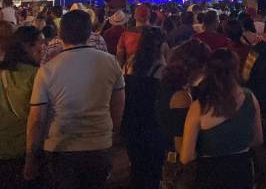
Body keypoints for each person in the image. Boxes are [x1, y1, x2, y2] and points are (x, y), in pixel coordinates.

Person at [24, 10, 125, 188]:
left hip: (60, 145)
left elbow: (36, 118)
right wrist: (113, 133)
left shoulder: (47, 70)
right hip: (99, 144)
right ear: (90, 32)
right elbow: (118, 104)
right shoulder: (110, 62)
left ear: (61, 34)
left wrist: (31, 156)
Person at [180, 49, 262, 189]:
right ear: (236, 69)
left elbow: (186, 156)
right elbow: (257, 139)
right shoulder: (250, 98)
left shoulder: (200, 106)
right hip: (242, 171)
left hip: (210, 174)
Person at [155, 39, 211, 187]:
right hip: (179, 166)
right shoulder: (181, 97)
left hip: (166, 156)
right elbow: (181, 145)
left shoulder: (167, 85)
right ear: (196, 67)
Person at [123, 27, 166, 189]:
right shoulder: (160, 69)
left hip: (132, 119)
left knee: (136, 165)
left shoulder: (130, 63)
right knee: (152, 168)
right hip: (152, 123)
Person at [0, 26, 41, 188]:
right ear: (26, 46)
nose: (43, 47)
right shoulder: (37, 75)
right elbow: (38, 118)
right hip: (23, 150)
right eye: (40, 42)